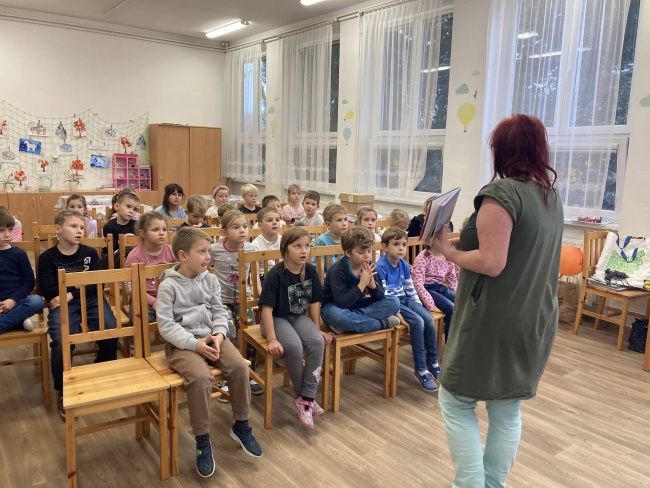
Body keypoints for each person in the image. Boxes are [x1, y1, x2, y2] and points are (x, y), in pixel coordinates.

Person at [431, 114, 563, 487]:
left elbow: (492, 261)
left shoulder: (501, 193)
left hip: (495, 318)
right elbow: (512, 244)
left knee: (455, 401)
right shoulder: (549, 197)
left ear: (501, 149)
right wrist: (457, 242)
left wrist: (448, 252)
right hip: (534, 317)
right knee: (506, 407)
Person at [156, 227, 262, 478]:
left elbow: (219, 311)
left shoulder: (210, 279)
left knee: (239, 367)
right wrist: (195, 344)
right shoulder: (168, 285)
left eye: (208, 251)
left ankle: (241, 424)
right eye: (202, 252)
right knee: (201, 377)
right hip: (182, 344)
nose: (208, 257)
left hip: (213, 338)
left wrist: (219, 334)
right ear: (183, 255)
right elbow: (166, 325)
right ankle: (202, 439)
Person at [38, 210, 118, 420]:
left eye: (81, 227)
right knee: (61, 339)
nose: (79, 231)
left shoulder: (90, 253)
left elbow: (96, 285)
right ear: (58, 229)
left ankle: (102, 368)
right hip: (62, 304)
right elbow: (48, 290)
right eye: (73, 226)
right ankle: (63, 389)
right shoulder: (47, 258)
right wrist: (75, 290)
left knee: (110, 326)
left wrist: (70, 294)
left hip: (87, 299)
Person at [259, 227, 333, 429]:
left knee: (317, 341)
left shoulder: (309, 270)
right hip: (274, 319)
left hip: (297, 316)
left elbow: (315, 302)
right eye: (297, 246)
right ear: (285, 249)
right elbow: (266, 309)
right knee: (294, 346)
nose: (304, 250)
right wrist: (272, 339)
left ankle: (306, 398)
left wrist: (317, 328)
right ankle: (305, 397)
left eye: (307, 246)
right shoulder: (276, 274)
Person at [375, 228, 439, 392]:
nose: (401, 248)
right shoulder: (381, 266)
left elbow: (409, 289)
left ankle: (433, 362)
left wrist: (419, 307)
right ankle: (421, 369)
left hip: (404, 299)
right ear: (385, 247)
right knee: (417, 322)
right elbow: (385, 297)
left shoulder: (403, 264)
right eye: (396, 244)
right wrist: (399, 316)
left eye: (404, 244)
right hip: (393, 303)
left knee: (428, 318)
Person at [210, 210, 263, 397]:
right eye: (236, 227)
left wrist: (259, 295)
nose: (242, 231)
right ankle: (225, 375)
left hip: (244, 300)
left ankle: (249, 373)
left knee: (252, 335)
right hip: (221, 301)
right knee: (229, 334)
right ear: (223, 232)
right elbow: (203, 270)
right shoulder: (215, 249)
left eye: (245, 226)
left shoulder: (251, 249)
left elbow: (255, 275)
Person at [321, 227, 400, 334]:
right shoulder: (337, 271)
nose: (367, 255)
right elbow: (342, 303)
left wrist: (372, 286)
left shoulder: (369, 266)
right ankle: (381, 323)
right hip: (334, 306)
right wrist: (362, 284)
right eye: (361, 252)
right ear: (348, 252)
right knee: (338, 315)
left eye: (369, 251)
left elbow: (380, 296)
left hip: (357, 306)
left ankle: (349, 323)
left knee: (394, 302)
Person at [124, 212, 176, 323]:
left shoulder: (172, 251)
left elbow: (180, 277)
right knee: (142, 318)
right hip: (143, 298)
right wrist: (153, 302)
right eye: (155, 230)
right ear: (143, 233)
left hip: (170, 296)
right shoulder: (134, 256)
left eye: (164, 229)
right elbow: (131, 288)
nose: (161, 233)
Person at [0, 206, 44, 334]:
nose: (7, 234)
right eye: (1, 230)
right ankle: (18, 322)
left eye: (10, 229)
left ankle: (4, 323)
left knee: (37, 300)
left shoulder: (19, 254)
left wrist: (13, 300)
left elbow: (29, 281)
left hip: (17, 302)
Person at [412, 243, 458, 343]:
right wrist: (430, 305)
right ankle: (449, 345)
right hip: (427, 289)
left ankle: (458, 342)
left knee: (461, 304)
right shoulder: (423, 257)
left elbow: (452, 278)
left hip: (440, 287)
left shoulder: (447, 257)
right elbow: (418, 283)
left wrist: (457, 295)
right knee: (452, 309)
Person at [102, 190, 140, 268]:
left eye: (135, 209)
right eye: (128, 206)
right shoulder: (108, 227)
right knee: (128, 250)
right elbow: (112, 248)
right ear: (117, 206)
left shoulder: (137, 225)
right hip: (111, 257)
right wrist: (123, 241)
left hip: (131, 255)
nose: (131, 211)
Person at [251, 206, 282, 271]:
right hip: (264, 275)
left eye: (277, 220)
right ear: (260, 226)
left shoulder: (285, 241)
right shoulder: (255, 245)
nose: (275, 222)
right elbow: (255, 273)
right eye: (269, 220)